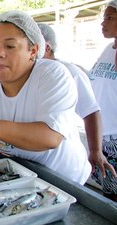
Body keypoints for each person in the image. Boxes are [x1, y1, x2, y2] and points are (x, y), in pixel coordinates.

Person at [0, 10, 91, 185]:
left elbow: (51, 137)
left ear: (33, 50)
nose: (0, 53)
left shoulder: (52, 75)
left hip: (64, 179)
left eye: (10, 46)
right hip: (21, 172)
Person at [38, 23, 116, 182]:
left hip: (64, 162)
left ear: (45, 47)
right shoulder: (29, 73)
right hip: (38, 159)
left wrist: (95, 151)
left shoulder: (69, 72)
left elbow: (91, 112)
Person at [88, 0, 117, 201]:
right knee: (109, 194)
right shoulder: (108, 49)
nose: (103, 23)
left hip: (115, 136)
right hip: (102, 136)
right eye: (103, 17)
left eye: (110, 17)